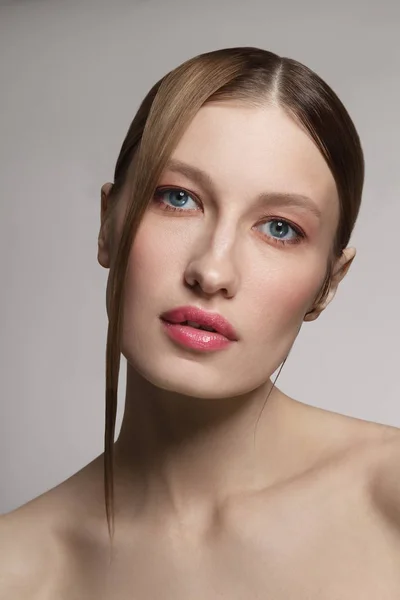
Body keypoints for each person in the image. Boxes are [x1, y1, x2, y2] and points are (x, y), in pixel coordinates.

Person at [1, 46, 400, 599]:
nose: (211, 270)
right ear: (107, 226)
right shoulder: (16, 569)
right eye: (178, 198)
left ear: (330, 282)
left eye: (279, 228)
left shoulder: (388, 497)